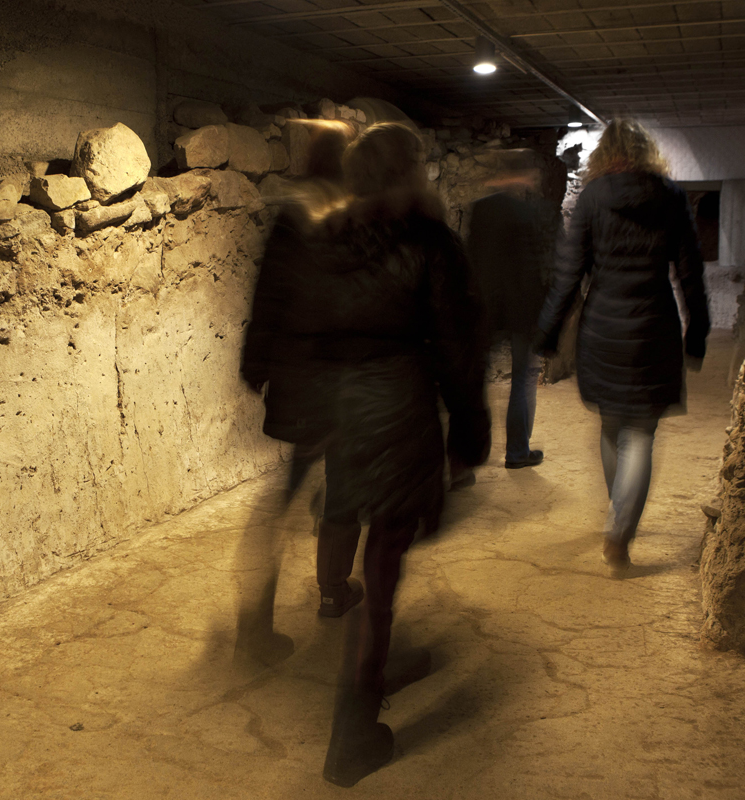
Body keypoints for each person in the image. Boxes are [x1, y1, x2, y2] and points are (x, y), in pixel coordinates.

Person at [300, 122, 488, 787]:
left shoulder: (331, 242)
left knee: (371, 556)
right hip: (401, 418)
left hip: (350, 419)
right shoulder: (432, 244)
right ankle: (352, 736)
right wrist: (469, 436)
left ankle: (376, 669)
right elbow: (460, 351)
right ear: (409, 173)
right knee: (381, 572)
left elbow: (310, 338)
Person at [533, 118, 709, 576]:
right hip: (654, 324)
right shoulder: (669, 195)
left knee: (613, 426)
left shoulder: (592, 198)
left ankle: (620, 516)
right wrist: (699, 330)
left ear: (602, 154)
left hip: (603, 327)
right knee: (640, 434)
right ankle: (620, 528)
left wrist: (549, 332)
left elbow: (569, 273)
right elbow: (689, 270)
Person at [236, 120, 358, 667]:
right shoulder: (360, 216)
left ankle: (253, 624)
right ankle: (332, 591)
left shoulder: (292, 212)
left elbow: (270, 295)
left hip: (299, 378)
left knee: (285, 495)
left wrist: (256, 364)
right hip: (345, 380)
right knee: (345, 487)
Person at [465, 149, 559, 471]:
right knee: (523, 379)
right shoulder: (526, 213)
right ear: (521, 176)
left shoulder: (478, 211)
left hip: (485, 308)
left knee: (475, 380)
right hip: (520, 311)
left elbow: (472, 261)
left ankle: (467, 456)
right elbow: (531, 270)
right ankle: (517, 452)